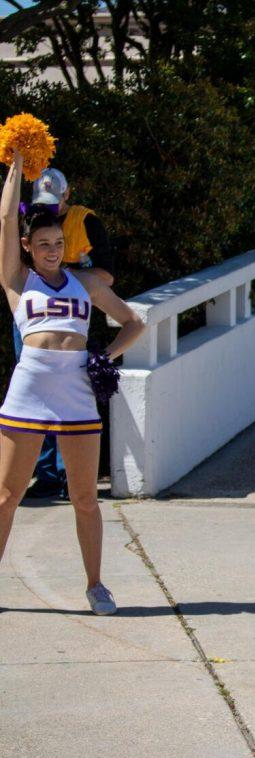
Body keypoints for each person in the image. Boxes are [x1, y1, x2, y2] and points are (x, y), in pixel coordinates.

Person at [0, 151, 144, 614]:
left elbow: (133, 322)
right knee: (7, 495)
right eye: (42, 244)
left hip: (77, 395)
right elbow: (5, 215)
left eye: (58, 243)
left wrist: (103, 357)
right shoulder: (17, 282)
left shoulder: (85, 283)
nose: (52, 250)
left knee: (84, 498)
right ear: (27, 246)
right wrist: (16, 166)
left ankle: (96, 585)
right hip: (28, 392)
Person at [19, 167, 115, 499]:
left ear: (67, 194)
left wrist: (68, 276)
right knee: (36, 398)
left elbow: (107, 275)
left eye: (54, 202)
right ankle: (45, 474)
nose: (50, 210)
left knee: (71, 402)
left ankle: (67, 476)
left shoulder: (86, 221)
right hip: (35, 321)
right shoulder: (30, 221)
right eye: (43, 204)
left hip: (76, 320)